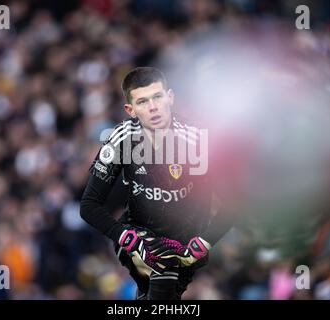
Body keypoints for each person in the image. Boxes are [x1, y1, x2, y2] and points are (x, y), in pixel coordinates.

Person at [80, 67, 233, 300]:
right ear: (131, 110)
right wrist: (127, 238)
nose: (153, 107)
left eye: (157, 97)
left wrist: (203, 242)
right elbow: (89, 205)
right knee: (162, 271)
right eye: (142, 102)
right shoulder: (121, 140)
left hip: (187, 239)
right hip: (137, 236)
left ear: (170, 98)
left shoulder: (197, 141)